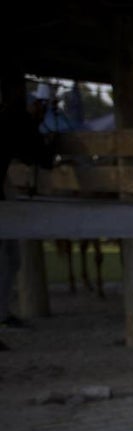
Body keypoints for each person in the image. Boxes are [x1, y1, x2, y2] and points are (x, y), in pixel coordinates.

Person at [0, 79, 56, 338]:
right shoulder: (15, 119)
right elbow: (42, 159)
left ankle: (3, 314)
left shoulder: (12, 119)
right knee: (7, 260)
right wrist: (48, 141)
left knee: (11, 259)